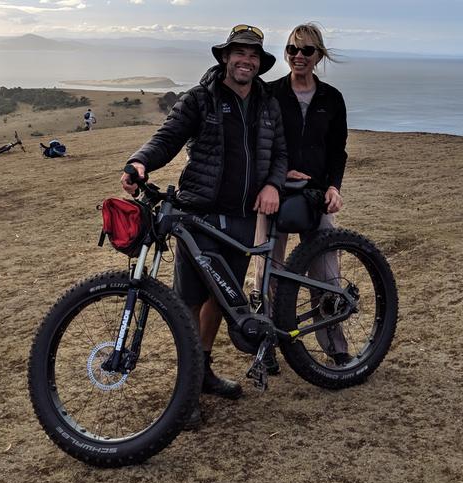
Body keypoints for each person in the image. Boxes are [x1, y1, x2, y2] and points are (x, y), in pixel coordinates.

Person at [121, 25, 287, 426]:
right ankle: (188, 385)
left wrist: (272, 185)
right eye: (238, 53)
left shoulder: (267, 103)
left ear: (259, 62)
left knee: (221, 298)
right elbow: (168, 136)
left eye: (251, 54)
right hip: (201, 215)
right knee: (190, 300)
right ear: (225, 58)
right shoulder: (201, 98)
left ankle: (205, 370)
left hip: (245, 217)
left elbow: (280, 153)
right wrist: (140, 161)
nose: (244, 60)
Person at [254, 23, 349, 374]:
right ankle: (267, 346)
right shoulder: (271, 94)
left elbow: (338, 151)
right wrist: (276, 178)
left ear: (319, 55)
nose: (298, 57)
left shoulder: (331, 98)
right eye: (292, 50)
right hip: (274, 193)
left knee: (325, 273)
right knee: (268, 273)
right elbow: (260, 145)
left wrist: (334, 188)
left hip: (317, 196)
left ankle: (336, 348)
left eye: (307, 51)